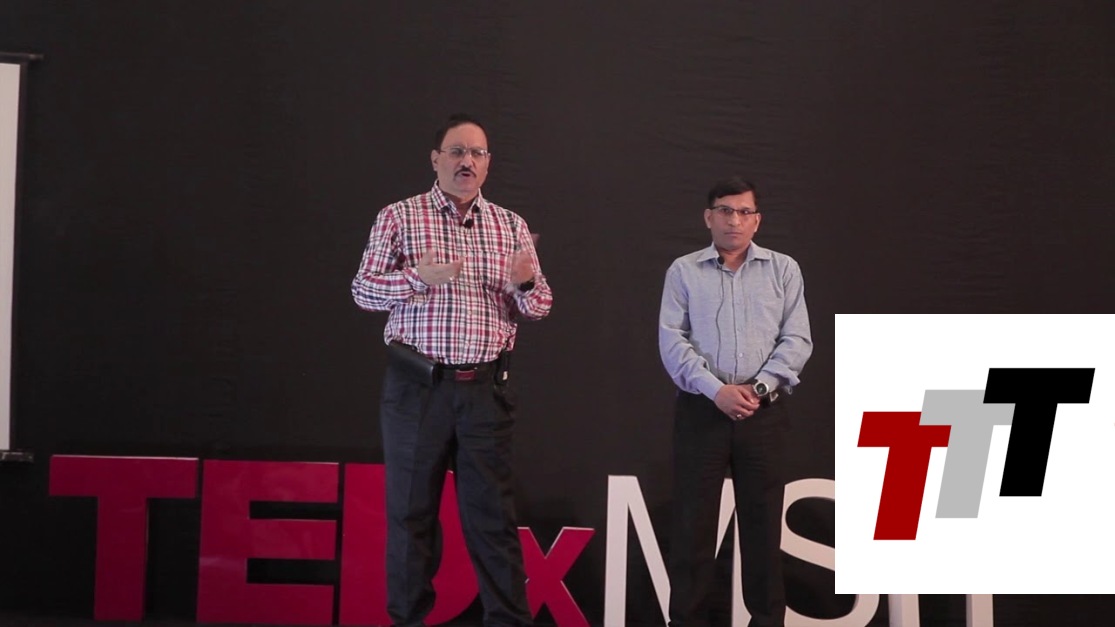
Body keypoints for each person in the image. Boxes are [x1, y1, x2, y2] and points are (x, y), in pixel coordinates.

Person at [351, 113, 552, 627]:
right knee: (411, 515)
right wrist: (416, 278)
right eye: (457, 151)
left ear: (488, 164)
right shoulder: (400, 217)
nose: (467, 161)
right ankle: (408, 620)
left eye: (477, 153)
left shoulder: (510, 225)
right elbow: (363, 291)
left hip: (485, 392)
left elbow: (540, 307)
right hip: (418, 390)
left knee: (493, 520)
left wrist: (527, 284)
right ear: (436, 159)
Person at [658, 177, 812, 627]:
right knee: (692, 531)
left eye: (744, 212)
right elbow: (672, 341)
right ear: (709, 217)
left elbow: (797, 339)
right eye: (725, 211)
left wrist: (758, 388)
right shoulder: (684, 271)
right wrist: (716, 391)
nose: (734, 220)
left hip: (763, 413)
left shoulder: (783, 269)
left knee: (763, 532)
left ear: (757, 220)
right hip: (702, 411)